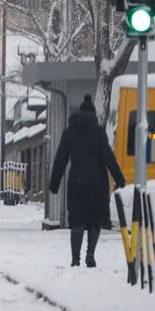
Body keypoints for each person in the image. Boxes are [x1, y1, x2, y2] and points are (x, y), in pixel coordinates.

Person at [49, 94, 126, 267]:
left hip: (76, 181)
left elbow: (61, 158)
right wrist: (120, 179)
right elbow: (108, 157)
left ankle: (75, 258)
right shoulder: (98, 132)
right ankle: (90, 254)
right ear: (93, 115)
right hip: (97, 182)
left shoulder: (69, 132)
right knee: (95, 219)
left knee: (77, 219)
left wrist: (54, 183)